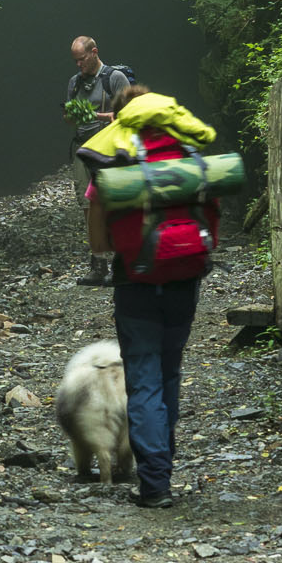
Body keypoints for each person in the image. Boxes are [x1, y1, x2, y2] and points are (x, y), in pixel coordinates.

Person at [79, 83, 218, 508]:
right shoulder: (189, 152)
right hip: (184, 281)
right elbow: (211, 219)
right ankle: (163, 465)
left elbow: (100, 245)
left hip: (136, 285)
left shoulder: (114, 155)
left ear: (123, 117)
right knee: (169, 373)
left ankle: (155, 483)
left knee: (143, 382)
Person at [64, 36, 130, 285]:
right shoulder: (74, 83)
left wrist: (98, 116)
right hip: (83, 149)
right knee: (87, 206)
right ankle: (98, 264)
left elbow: (128, 114)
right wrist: (72, 115)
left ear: (94, 52)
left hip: (109, 150)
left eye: (82, 59)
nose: (78, 64)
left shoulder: (114, 78)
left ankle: (122, 262)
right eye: (75, 61)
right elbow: (69, 118)